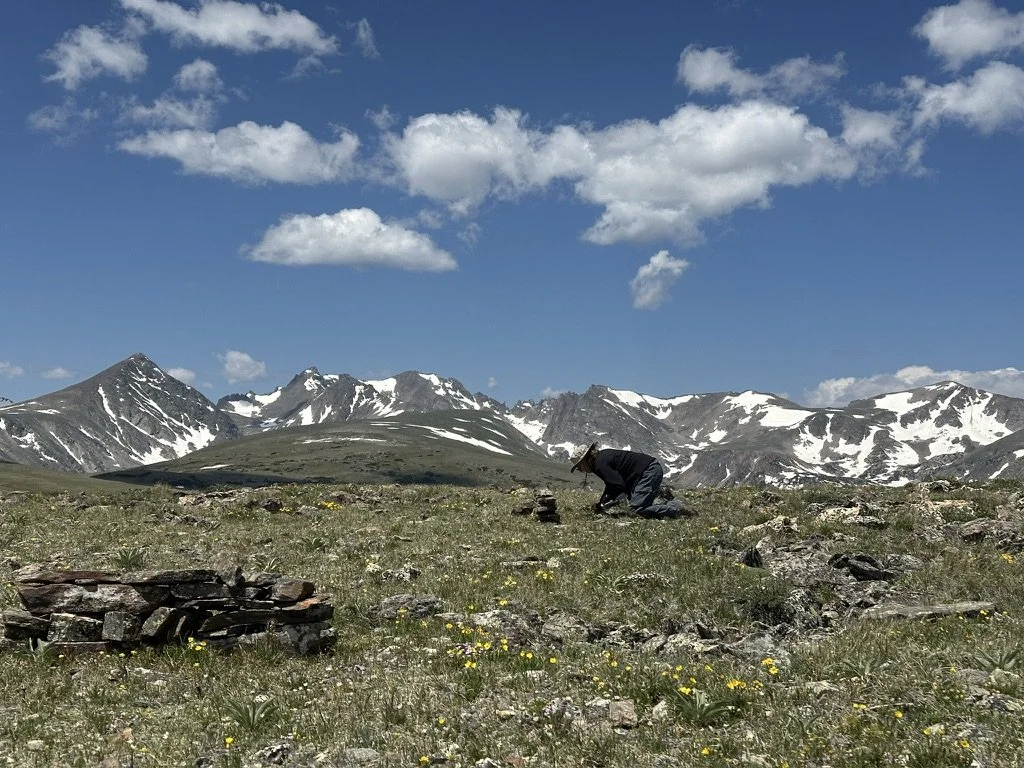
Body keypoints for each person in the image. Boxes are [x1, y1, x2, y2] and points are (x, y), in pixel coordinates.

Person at [570, 442, 686, 519]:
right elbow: (612, 484)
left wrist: (603, 503)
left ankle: (676, 508)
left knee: (637, 509)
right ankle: (664, 498)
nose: (580, 470)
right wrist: (603, 502)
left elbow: (617, 485)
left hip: (647, 472)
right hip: (648, 470)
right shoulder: (601, 458)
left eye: (579, 466)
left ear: (586, 460)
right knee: (638, 503)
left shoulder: (600, 464)